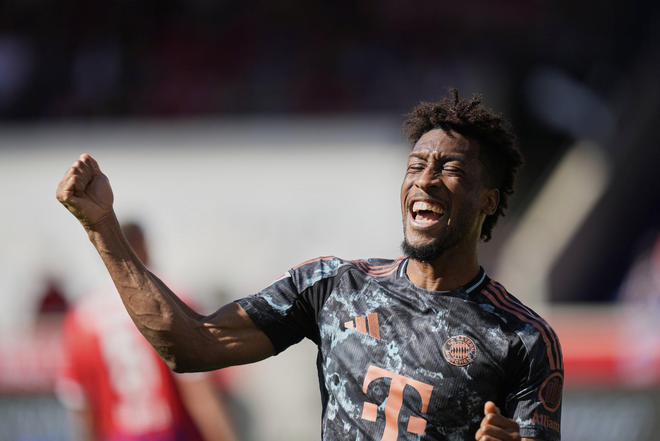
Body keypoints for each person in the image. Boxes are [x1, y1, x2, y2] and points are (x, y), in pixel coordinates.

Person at [56, 90, 563, 441]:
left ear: (489, 201)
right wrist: (102, 227)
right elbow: (190, 344)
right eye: (415, 165)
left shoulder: (521, 338)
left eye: (449, 168)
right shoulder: (333, 287)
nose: (425, 179)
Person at [55, 222, 238, 441]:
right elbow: (199, 392)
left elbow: (82, 406)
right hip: (174, 432)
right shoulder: (172, 299)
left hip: (120, 435)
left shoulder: (82, 317)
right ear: (142, 245)